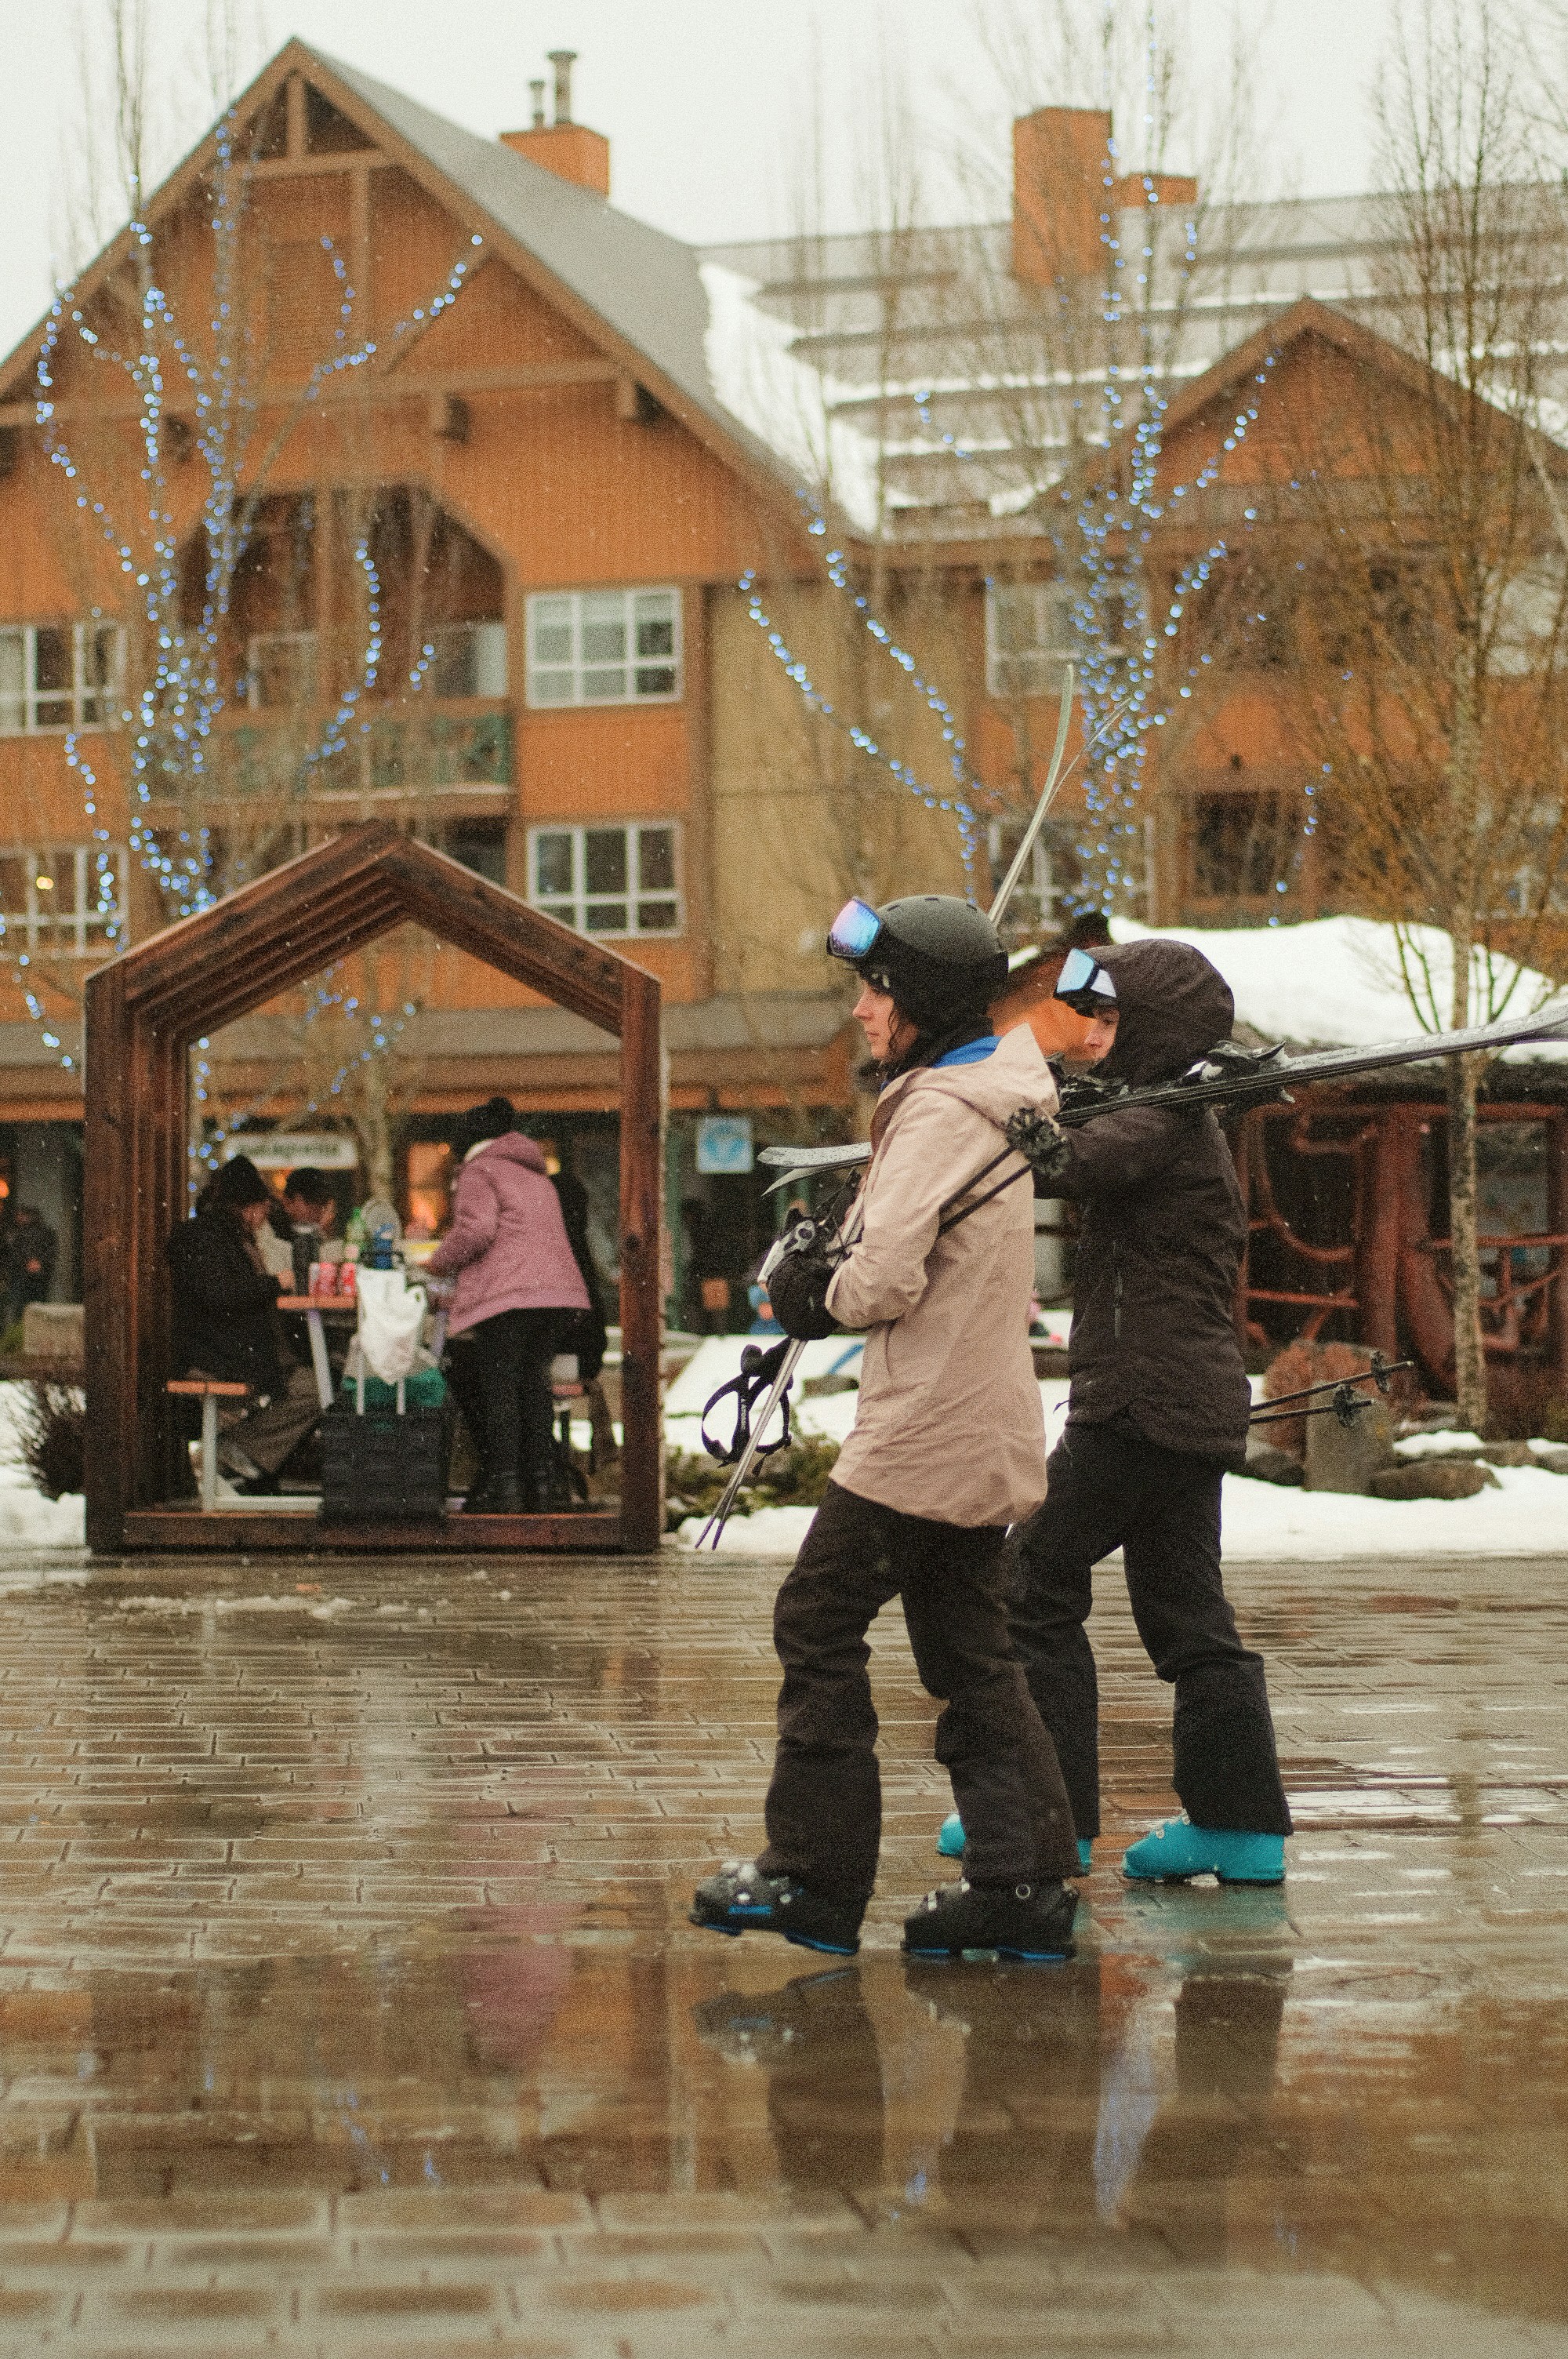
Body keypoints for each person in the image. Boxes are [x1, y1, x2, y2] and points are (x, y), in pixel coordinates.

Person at [690, 894, 1082, 1964]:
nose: (862, 1012)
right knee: (971, 1653)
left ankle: (813, 1880)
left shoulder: (945, 1110)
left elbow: (882, 1278)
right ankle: (1025, 1886)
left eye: (877, 991)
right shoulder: (985, 1096)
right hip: (976, 1419)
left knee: (815, 1619)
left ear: (923, 1004)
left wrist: (804, 1287)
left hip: (925, 1431)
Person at [949, 938, 1291, 1885]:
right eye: (1086, 1016)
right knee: (1188, 1619)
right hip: (1182, 1403)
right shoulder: (1167, 1113)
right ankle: (1237, 1826)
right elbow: (1093, 1142)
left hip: (1138, 1404)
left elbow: (1069, 1165)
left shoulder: (1164, 1120)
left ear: (1155, 1026)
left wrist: (1016, 1123)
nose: (1091, 1033)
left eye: (1108, 1018)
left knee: (1032, 1580)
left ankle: (1045, 1815)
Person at [426, 1098, 590, 1514]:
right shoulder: (535, 1175)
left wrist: (434, 1262)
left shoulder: (479, 1171)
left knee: (499, 1389)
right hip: (556, 1295)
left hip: (511, 1298)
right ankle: (544, 1485)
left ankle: (504, 1486)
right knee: (533, 1385)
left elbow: (476, 1232)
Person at [166, 1154, 322, 1493]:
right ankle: (240, 1454)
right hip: (217, 1356)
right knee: (316, 1388)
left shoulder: (218, 1235)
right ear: (250, 1208)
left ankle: (245, 1459)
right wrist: (276, 1283)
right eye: (263, 1210)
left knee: (316, 1384)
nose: (264, 1219)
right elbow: (220, 1294)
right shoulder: (209, 1238)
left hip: (228, 1347)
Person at [4, 1203, 58, 1329]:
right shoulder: (19, 1234)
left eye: (22, 1215)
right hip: (27, 1277)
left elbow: (50, 1252)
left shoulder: (22, 1234)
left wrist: (37, 1263)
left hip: (32, 1278)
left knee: (28, 1308)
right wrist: (32, 1263)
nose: (19, 1218)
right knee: (29, 1308)